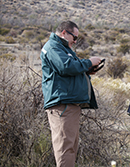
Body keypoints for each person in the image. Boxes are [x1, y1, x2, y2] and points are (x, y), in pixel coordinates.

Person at [40, 20, 101, 167]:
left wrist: (85, 70)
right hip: (62, 105)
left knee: (70, 147)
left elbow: (68, 69)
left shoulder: (61, 48)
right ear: (64, 33)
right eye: (74, 37)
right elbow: (65, 67)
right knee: (65, 148)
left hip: (69, 105)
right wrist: (88, 62)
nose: (75, 41)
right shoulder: (53, 47)